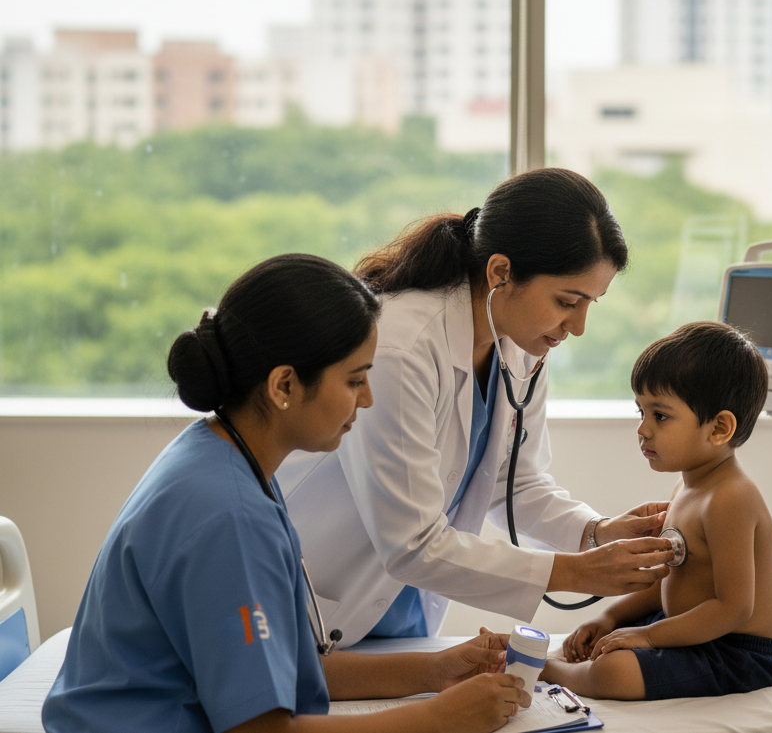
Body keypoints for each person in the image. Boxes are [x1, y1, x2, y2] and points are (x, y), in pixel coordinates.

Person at [43, 254, 531, 733]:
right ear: (284, 385)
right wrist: (437, 720)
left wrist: (435, 672)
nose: (368, 398)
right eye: (355, 379)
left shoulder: (226, 457)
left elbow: (285, 673)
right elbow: (261, 729)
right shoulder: (229, 516)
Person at [278, 167, 675, 646]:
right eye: (568, 301)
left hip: (402, 614)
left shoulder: (522, 345)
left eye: (592, 302)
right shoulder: (400, 350)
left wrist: (595, 532)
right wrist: (578, 572)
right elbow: (413, 544)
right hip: (313, 596)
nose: (578, 326)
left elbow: (515, 482)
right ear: (501, 272)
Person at [541, 320, 772, 700]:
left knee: (615, 670)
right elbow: (670, 582)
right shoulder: (688, 487)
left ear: (719, 428)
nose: (643, 429)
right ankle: (585, 660)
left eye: (660, 415)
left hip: (734, 651)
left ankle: (555, 671)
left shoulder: (731, 498)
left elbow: (734, 608)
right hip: (691, 627)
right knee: (608, 640)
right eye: (640, 412)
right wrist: (611, 617)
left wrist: (648, 635)